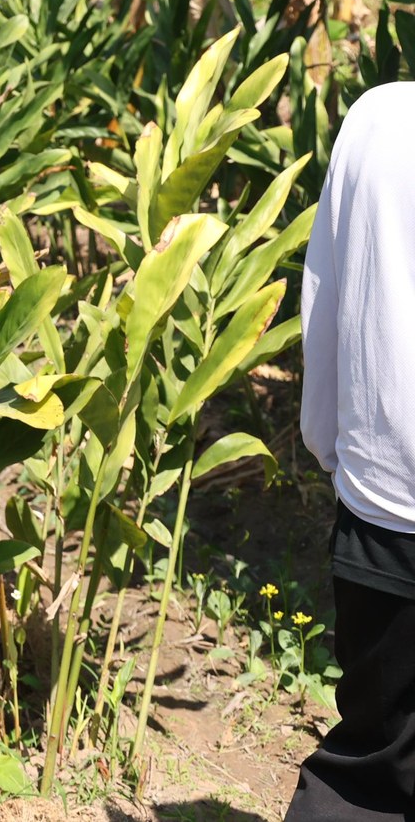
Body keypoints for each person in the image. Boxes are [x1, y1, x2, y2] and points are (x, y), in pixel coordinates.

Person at [289, 82, 415, 822]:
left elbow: (325, 306)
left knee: (370, 767)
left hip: (384, 503)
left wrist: (342, 459)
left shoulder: (377, 116)